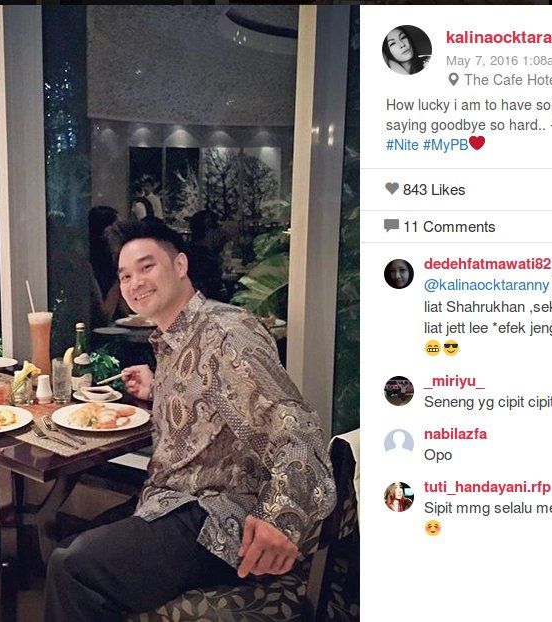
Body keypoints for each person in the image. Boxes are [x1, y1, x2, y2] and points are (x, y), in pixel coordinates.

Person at [44, 219, 336, 622]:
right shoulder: (174, 338)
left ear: (180, 265)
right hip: (171, 501)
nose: (134, 282)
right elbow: (213, 397)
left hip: (216, 516)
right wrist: (157, 386)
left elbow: (294, 426)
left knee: (73, 567)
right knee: (71, 543)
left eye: (147, 267)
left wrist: (282, 516)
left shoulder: (226, 333)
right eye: (125, 275)